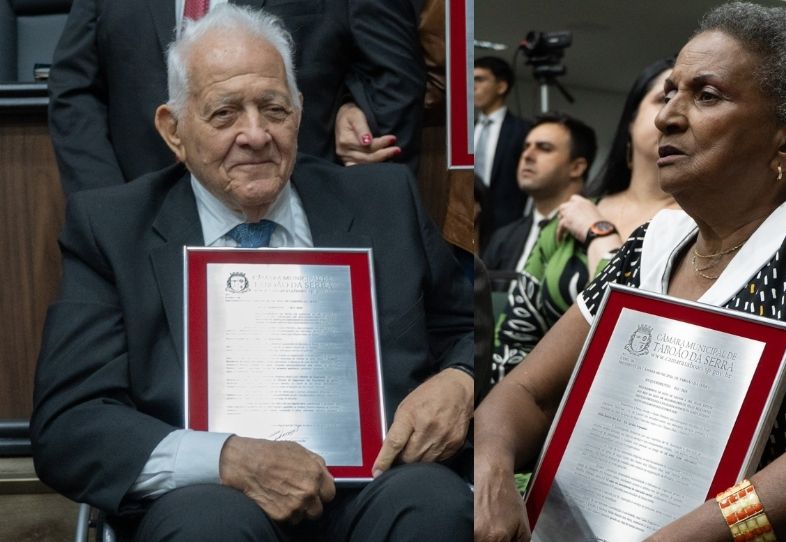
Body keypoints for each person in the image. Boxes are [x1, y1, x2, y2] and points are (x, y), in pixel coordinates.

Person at [475, 3, 786, 542]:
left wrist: (686, 536)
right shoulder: (653, 244)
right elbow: (525, 393)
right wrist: (491, 474)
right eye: (670, 91)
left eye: (706, 95)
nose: (667, 116)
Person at [31, 6, 472, 541]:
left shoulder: (384, 201)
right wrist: (227, 459)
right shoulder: (113, 229)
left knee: (436, 505)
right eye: (224, 114)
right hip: (211, 495)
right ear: (174, 129)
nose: (256, 134)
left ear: (300, 111)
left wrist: (462, 380)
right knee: (206, 528)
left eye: (274, 108)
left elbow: (471, 329)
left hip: (376, 489)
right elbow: (70, 424)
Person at [48, 0, 426, 196]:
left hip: (294, 221)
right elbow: (75, 85)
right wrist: (108, 204)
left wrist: (352, 104)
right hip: (139, 220)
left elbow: (393, 77)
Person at [491, 61, 679, 382]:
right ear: (631, 122)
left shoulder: (703, 229)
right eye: (666, 97)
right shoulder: (574, 212)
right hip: (533, 406)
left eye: (702, 99)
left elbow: (636, 334)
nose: (677, 113)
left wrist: (598, 234)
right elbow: (514, 332)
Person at [481, 112, 597, 276]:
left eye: (544, 148)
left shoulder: (598, 230)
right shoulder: (503, 238)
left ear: (576, 167)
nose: (527, 156)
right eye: (525, 147)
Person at [474, 56, 531, 236]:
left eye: (479, 79)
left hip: (506, 227)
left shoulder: (524, 131)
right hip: (467, 222)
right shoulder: (464, 131)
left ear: (501, 87)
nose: (471, 86)